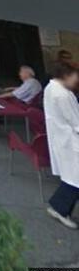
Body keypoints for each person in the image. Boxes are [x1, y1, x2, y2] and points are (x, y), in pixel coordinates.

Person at [44, 63, 79, 230]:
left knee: (72, 177)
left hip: (62, 138)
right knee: (75, 179)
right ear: (66, 75)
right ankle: (60, 209)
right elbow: (76, 121)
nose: (77, 80)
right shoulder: (63, 95)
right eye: (75, 77)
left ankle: (60, 208)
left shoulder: (51, 88)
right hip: (71, 140)